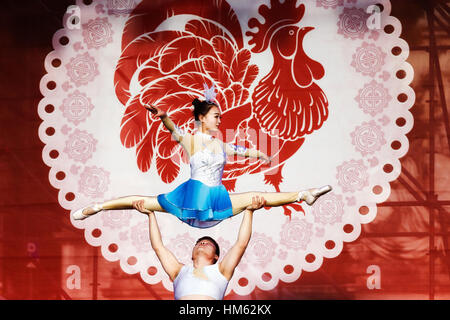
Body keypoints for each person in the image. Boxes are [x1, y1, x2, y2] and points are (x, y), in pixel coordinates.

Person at [72, 84, 332, 227]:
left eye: (220, 116)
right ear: (201, 118)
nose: (220, 119)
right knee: (143, 201)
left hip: (216, 199)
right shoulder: (191, 139)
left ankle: (303, 195)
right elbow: (171, 128)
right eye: (216, 115)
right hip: (193, 197)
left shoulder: (219, 144)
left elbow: (241, 151)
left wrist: (261, 155)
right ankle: (97, 207)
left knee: (259, 198)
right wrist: (163, 116)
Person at [132, 194, 267, 300]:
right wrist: (150, 214)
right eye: (199, 242)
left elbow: (240, 244)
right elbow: (158, 247)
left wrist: (249, 212)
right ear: (192, 254)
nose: (202, 243)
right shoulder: (178, 271)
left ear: (216, 256)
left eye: (209, 243)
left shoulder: (221, 271)